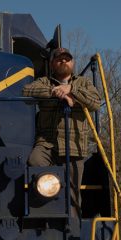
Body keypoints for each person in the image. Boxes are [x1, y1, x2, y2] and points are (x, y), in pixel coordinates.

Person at [22, 47, 102, 212]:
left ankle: (73, 227)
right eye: (59, 59)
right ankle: (46, 206)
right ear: (52, 64)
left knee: (72, 192)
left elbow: (95, 102)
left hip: (74, 147)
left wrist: (71, 90)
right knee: (34, 160)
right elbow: (26, 91)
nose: (63, 61)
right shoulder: (44, 82)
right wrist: (55, 92)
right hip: (46, 144)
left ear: (72, 63)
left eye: (67, 58)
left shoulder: (83, 83)